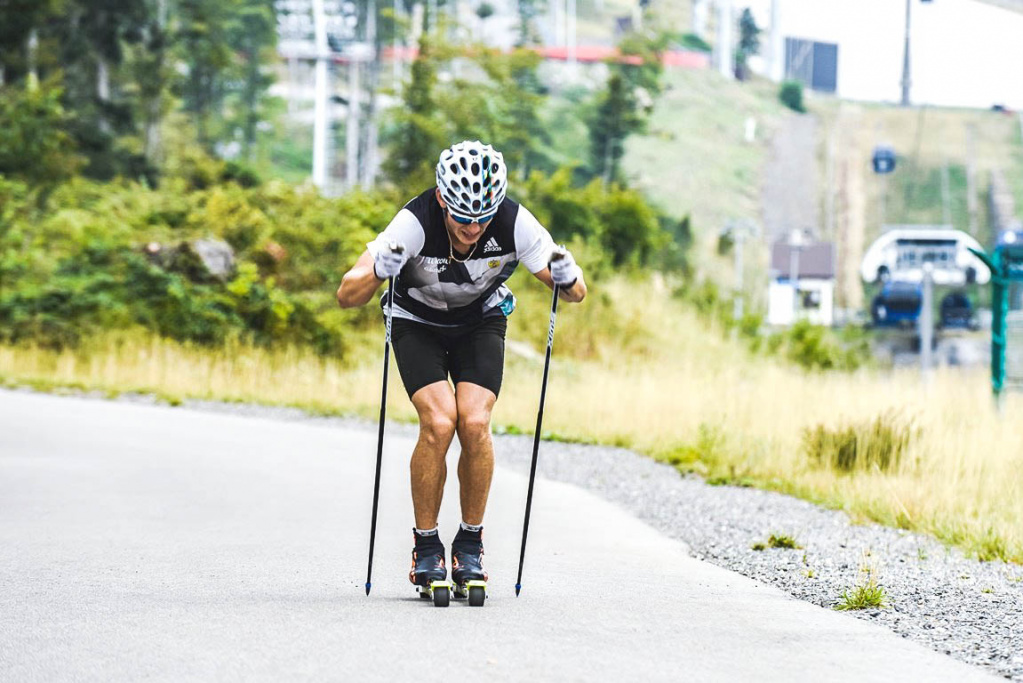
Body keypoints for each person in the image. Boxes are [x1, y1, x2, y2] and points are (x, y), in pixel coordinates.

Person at [336, 140, 586, 590]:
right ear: (441, 199)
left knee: (473, 421)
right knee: (439, 421)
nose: (473, 228)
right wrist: (378, 270)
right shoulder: (413, 223)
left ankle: (470, 543)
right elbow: (346, 295)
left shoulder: (513, 221)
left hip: (479, 321)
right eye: (463, 218)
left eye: (482, 219)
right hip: (416, 320)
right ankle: (426, 545)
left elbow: (573, 291)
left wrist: (568, 278)